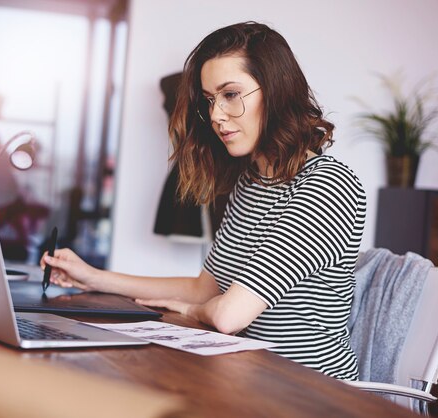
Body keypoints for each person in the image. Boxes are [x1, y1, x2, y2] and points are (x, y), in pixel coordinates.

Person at [42, 21, 366, 380]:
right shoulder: (253, 181)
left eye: (230, 94)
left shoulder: (328, 185)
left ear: (275, 91)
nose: (215, 115)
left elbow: (228, 316)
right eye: (210, 100)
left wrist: (192, 310)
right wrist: (93, 277)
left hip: (310, 391)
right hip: (245, 374)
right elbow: (204, 288)